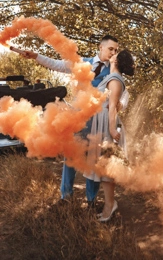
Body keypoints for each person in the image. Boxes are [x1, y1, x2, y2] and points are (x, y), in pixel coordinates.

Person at [23, 35, 129, 207]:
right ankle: (66, 197)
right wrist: (36, 56)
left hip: (98, 121)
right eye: (111, 49)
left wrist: (120, 105)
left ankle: (91, 201)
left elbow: (122, 93)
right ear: (100, 47)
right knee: (70, 156)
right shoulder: (82, 62)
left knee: (93, 160)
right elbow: (57, 64)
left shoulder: (114, 70)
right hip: (77, 118)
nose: (113, 53)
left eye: (116, 50)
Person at [84, 49, 135, 222]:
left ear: (116, 61)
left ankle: (109, 206)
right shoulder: (113, 78)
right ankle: (109, 203)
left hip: (107, 125)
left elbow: (112, 107)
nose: (112, 53)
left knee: (106, 169)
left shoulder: (114, 80)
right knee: (105, 168)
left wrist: (112, 130)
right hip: (103, 122)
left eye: (115, 53)